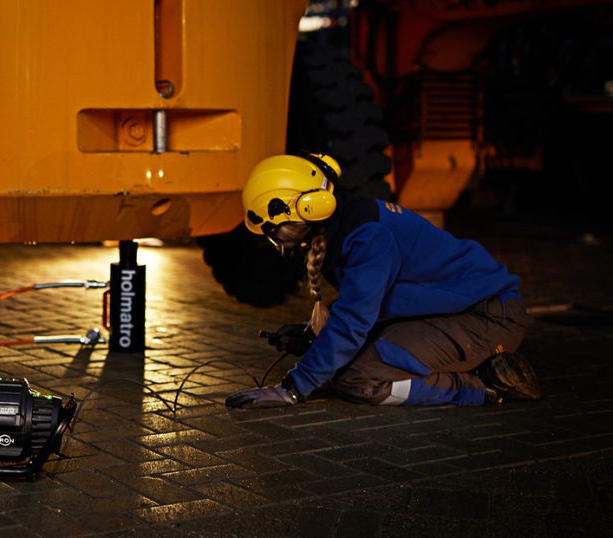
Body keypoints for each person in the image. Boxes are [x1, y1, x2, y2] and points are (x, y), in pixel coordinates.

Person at [224, 153, 541, 409]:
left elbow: (353, 322)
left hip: (489, 318)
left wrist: (293, 388)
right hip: (459, 311)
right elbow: (365, 303)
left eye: (278, 231)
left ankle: (484, 385)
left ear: (309, 208)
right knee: (346, 358)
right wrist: (311, 334)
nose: (279, 242)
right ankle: (460, 364)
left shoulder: (368, 239)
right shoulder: (347, 225)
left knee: (358, 377)